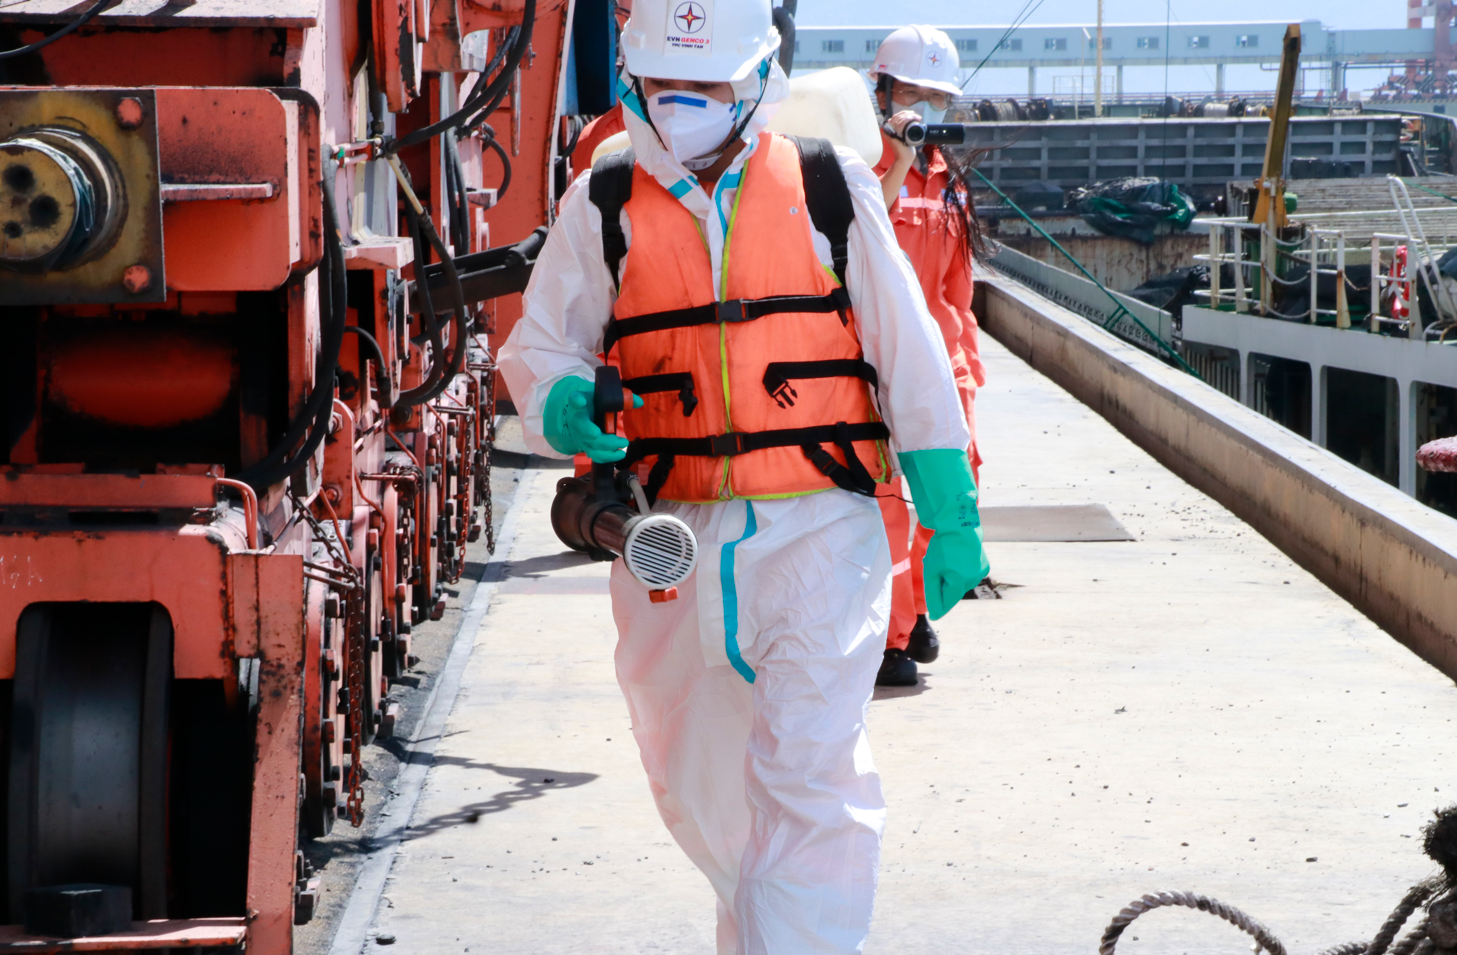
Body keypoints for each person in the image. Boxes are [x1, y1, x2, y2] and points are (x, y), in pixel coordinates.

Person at [498, 0, 988, 950]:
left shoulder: (827, 185)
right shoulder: (602, 203)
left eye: (710, 88)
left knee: (810, 779)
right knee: (700, 787)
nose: (686, 106)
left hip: (819, 535)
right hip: (668, 543)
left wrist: (948, 509)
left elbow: (911, 352)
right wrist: (558, 399)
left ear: (757, 83)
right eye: (666, 89)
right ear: (636, 86)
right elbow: (540, 345)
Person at [866, 25, 990, 688]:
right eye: (914, 94)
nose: (926, 110)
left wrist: (966, 370)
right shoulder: (855, 166)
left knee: (948, 498)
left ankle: (911, 610)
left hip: (941, 368)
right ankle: (890, 638)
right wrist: (888, 160)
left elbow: (955, 291)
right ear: (879, 89)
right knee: (887, 500)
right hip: (877, 367)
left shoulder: (947, 182)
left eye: (938, 98)